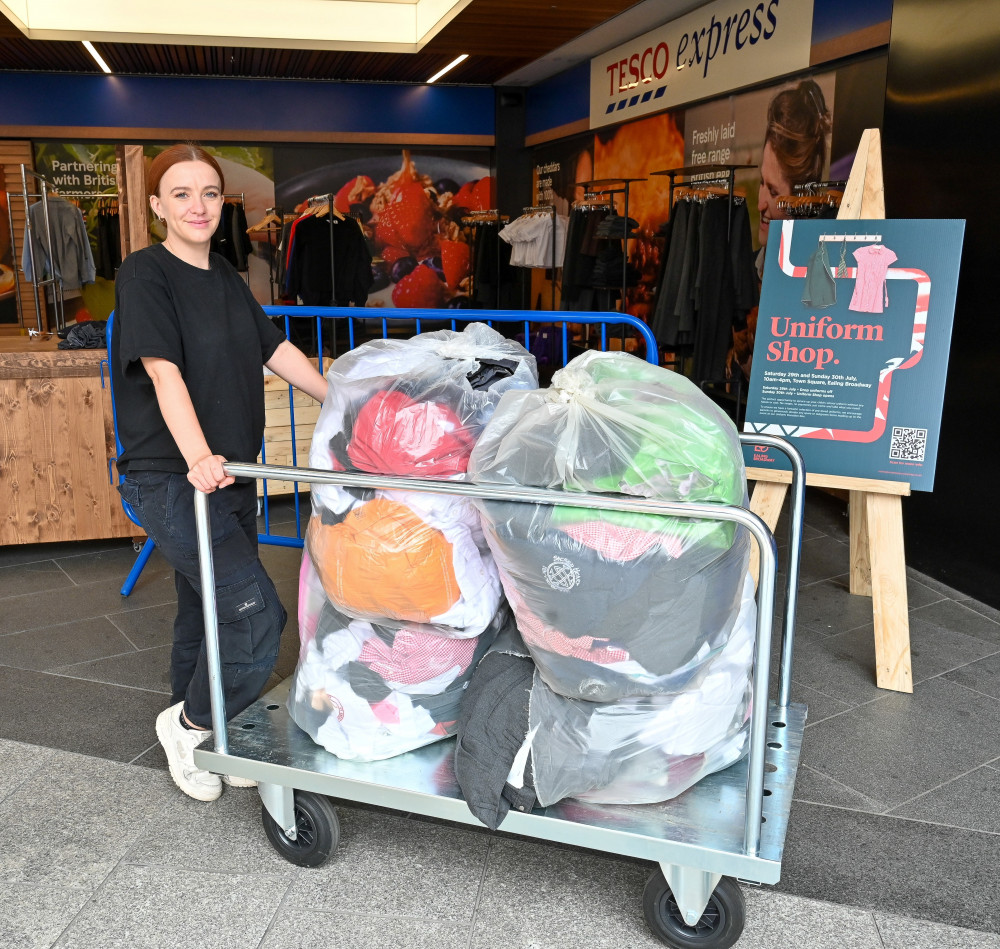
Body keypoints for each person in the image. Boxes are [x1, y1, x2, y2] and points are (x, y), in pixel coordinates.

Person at [112, 143, 329, 802]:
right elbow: (162, 369)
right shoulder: (145, 273)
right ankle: (191, 723)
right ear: (157, 207)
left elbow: (276, 347)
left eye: (208, 192)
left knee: (201, 612)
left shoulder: (228, 278)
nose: (198, 205)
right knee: (253, 614)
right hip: (174, 477)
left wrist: (343, 398)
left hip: (230, 475)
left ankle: (211, 730)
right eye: (181, 194)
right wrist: (197, 454)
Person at [756, 78, 832, 254]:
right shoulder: (746, 269)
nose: (760, 205)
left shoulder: (812, 277)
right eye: (762, 182)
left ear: (802, 201)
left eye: (774, 192)